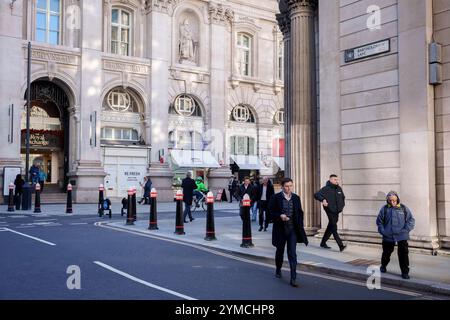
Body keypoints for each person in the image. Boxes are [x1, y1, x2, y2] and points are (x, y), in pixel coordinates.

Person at [269, 178, 308, 287]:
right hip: (280, 230)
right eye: (286, 186)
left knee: (292, 253)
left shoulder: (296, 198)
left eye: (290, 186)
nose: (289, 188)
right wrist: (279, 216)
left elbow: (300, 212)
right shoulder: (275, 198)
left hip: (292, 230)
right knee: (280, 251)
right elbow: (270, 212)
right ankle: (278, 269)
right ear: (282, 186)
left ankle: (293, 278)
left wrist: (300, 224)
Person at [376, 191, 415, 280]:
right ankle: (383, 265)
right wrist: (383, 231)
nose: (392, 202)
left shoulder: (403, 208)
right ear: (388, 200)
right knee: (386, 253)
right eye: (390, 200)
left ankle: (405, 272)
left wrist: (405, 230)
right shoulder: (384, 209)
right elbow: (379, 222)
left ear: (397, 199)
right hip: (388, 236)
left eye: (394, 200)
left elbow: (411, 220)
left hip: (402, 236)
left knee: (403, 254)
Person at [314, 174, 347, 252]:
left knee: (330, 227)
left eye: (337, 179)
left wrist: (341, 206)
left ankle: (323, 243)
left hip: (337, 211)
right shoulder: (326, 189)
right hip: (329, 210)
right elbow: (316, 195)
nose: (337, 181)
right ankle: (341, 245)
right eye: (335, 179)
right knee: (334, 228)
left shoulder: (339, 188)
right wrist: (323, 200)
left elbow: (343, 198)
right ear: (331, 180)